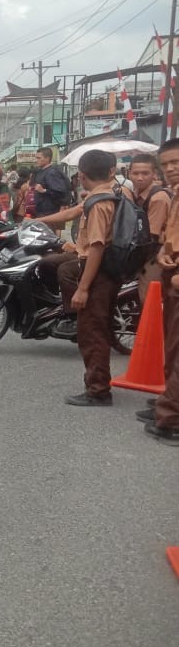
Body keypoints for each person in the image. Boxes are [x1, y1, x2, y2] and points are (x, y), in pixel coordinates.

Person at [58, 149, 125, 406]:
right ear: (111, 172)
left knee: (92, 333)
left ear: (82, 176)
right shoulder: (116, 194)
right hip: (110, 271)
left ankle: (97, 390)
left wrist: (83, 288)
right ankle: (98, 386)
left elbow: (96, 246)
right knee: (98, 328)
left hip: (98, 273)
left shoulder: (98, 204)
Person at [142, 138, 179, 442]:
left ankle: (172, 419)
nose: (170, 169)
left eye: (175, 163)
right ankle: (167, 403)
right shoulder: (174, 194)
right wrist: (166, 254)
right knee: (172, 346)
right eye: (165, 165)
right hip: (171, 272)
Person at [128, 153, 171, 301]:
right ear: (129, 174)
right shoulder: (134, 194)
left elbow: (150, 236)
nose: (140, 178)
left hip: (156, 252)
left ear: (154, 174)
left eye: (145, 173)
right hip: (142, 249)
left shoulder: (158, 197)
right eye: (135, 173)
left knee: (149, 297)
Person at [32, 147, 72, 217]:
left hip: (51, 213)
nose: (36, 160)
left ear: (47, 159)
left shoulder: (52, 172)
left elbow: (60, 192)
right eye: (36, 158)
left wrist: (44, 190)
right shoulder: (41, 171)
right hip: (42, 212)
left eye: (39, 158)